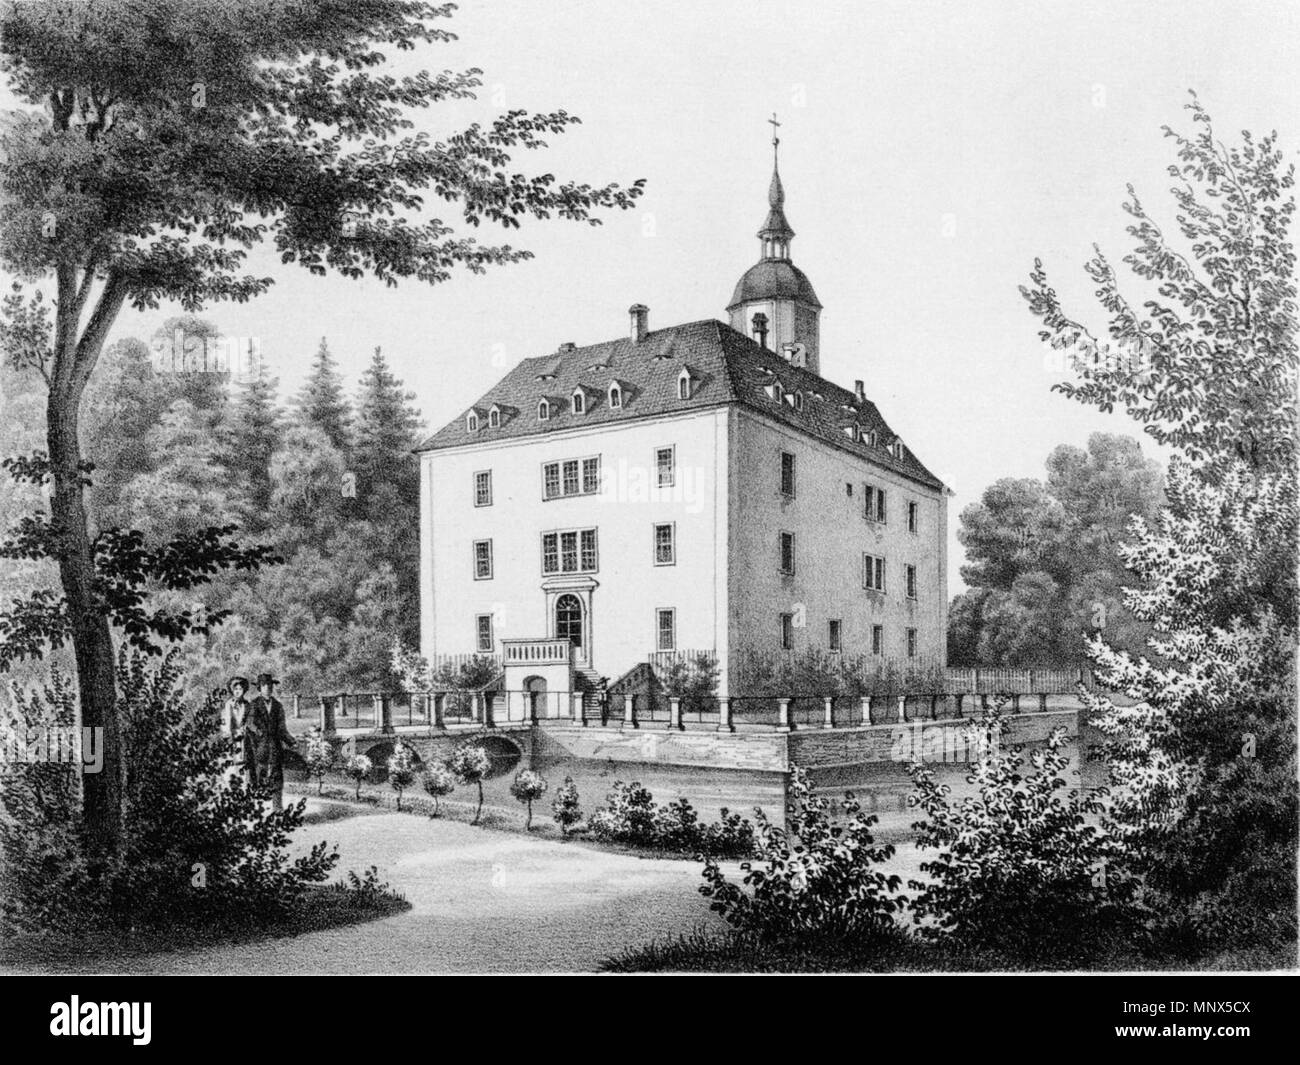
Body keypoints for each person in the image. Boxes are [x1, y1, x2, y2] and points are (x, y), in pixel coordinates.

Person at [245, 673, 296, 811]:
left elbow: (282, 728)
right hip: (260, 746)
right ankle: (255, 808)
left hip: (275, 746)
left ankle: (277, 808)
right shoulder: (254, 704)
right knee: (258, 775)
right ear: (259, 688)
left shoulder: (278, 706)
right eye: (264, 685)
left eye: (269, 685)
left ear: (272, 687)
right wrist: (258, 732)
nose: (267, 688)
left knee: (277, 776)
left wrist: (291, 741)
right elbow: (249, 723)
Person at [220, 676, 251, 786]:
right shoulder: (229, 705)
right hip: (232, 737)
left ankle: (243, 785)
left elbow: (249, 720)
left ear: (244, 691)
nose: (238, 692)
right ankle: (230, 785)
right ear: (232, 690)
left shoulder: (247, 705)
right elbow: (226, 721)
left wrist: (246, 729)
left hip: (244, 737)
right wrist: (229, 734)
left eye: (240, 689)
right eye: (236, 689)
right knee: (231, 761)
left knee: (243, 761)